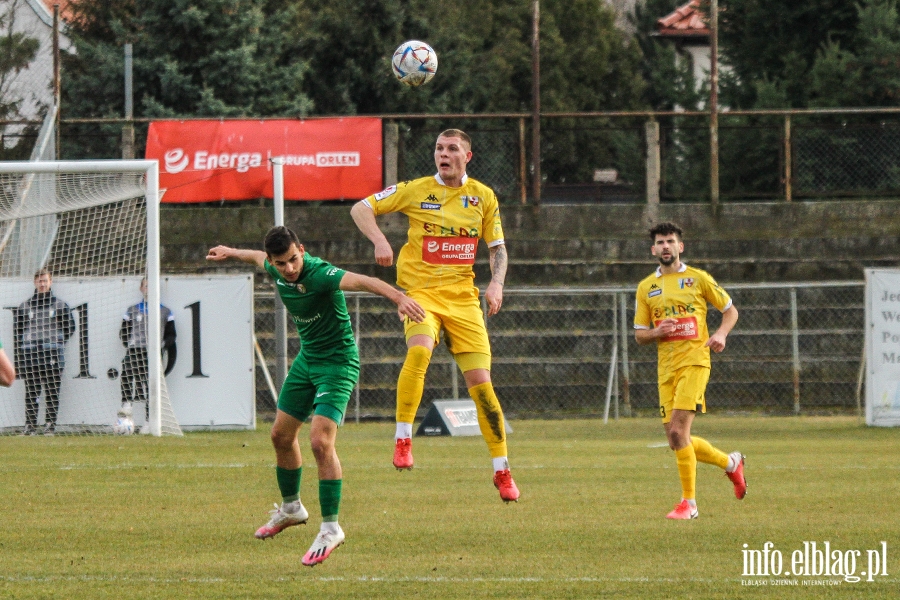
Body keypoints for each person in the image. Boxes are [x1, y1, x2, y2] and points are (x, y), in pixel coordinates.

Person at [206, 226, 425, 566]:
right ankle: (292, 508)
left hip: (337, 364)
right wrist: (230, 251)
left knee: (320, 442)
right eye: (282, 263)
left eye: (293, 259)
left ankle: (331, 528)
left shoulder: (320, 273)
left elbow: (364, 280)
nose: (289, 268)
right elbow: (256, 257)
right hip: (308, 360)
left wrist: (399, 298)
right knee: (280, 435)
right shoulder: (274, 268)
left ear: (302, 250)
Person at [350, 128, 520, 503]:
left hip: (463, 300)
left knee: (482, 386)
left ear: (467, 157)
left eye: (452, 149)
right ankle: (403, 438)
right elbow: (361, 207)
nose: (443, 154)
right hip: (420, 294)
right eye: (439, 148)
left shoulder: (483, 197)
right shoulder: (416, 189)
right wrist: (380, 239)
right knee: (420, 350)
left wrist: (496, 284)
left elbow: (498, 247)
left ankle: (502, 469)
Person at [633, 222, 747, 520]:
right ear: (653, 250)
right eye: (660, 242)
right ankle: (731, 463)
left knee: (678, 431)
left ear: (680, 247)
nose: (666, 246)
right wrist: (658, 332)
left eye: (671, 241)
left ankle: (689, 504)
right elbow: (639, 335)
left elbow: (730, 310)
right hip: (665, 368)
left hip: (695, 361)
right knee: (675, 439)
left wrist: (721, 334)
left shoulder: (698, 279)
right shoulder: (646, 287)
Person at [14, 268, 76, 436]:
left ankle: (50, 425)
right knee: (32, 391)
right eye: (39, 281)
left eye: (45, 281)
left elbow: (70, 328)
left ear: (51, 282)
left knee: (52, 390)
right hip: (31, 353)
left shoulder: (60, 305)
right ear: (35, 282)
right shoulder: (25, 306)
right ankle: (30, 426)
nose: (42, 284)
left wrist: (56, 341)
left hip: (52, 353)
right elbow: (18, 331)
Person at [119, 276, 177, 434]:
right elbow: (123, 331)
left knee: (150, 387)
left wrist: (162, 346)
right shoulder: (132, 309)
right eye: (146, 286)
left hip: (152, 351)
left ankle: (148, 421)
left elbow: (171, 335)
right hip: (135, 348)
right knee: (126, 372)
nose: (148, 289)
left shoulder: (165, 311)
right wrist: (129, 343)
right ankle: (126, 403)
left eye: (152, 286)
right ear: (141, 289)